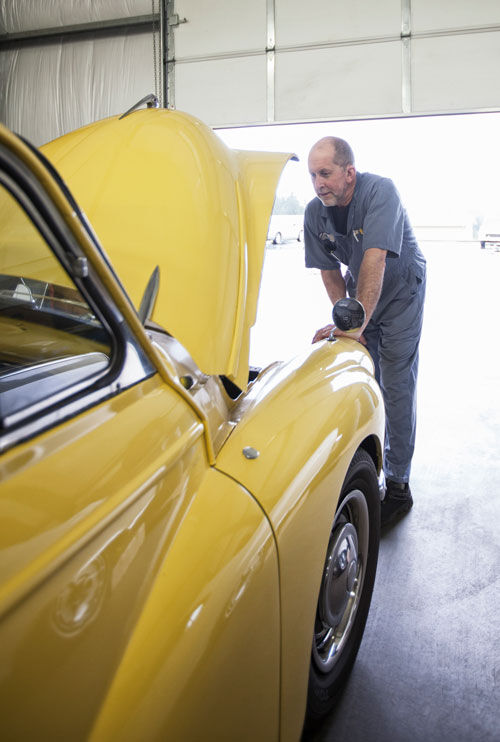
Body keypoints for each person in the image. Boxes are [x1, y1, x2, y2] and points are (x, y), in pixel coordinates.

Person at [305, 136, 426, 527]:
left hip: (401, 292)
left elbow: (374, 260)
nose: (318, 182)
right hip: (364, 296)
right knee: (358, 374)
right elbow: (329, 271)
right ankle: (364, 467)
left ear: (349, 173)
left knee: (394, 384)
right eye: (312, 175)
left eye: (325, 173)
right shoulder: (314, 213)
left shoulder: (380, 193)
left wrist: (357, 324)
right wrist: (347, 324)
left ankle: (399, 485)